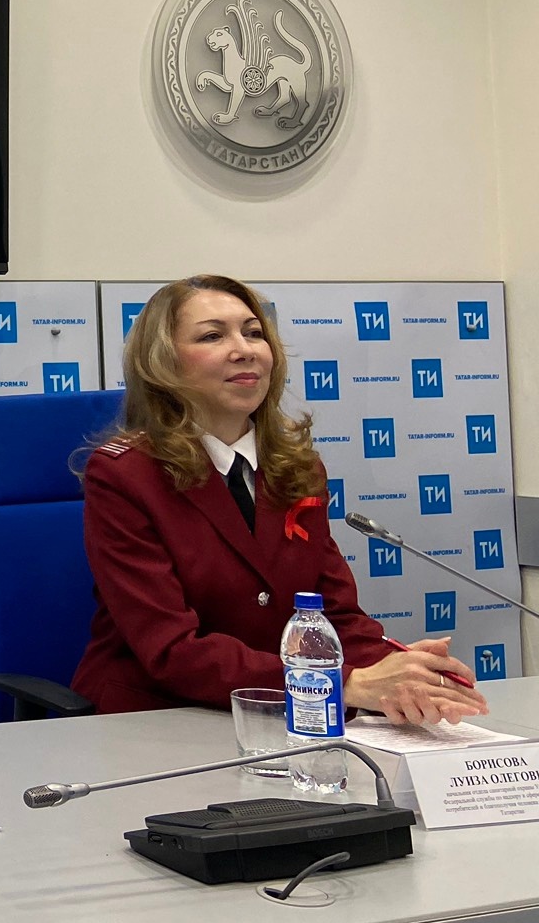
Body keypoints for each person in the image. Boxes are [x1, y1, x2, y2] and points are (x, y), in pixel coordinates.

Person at [73, 274, 489, 725]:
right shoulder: (125, 475)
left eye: (254, 333)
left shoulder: (297, 468)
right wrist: (345, 683)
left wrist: (401, 670)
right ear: (163, 363)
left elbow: (335, 614)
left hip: (284, 710)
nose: (244, 349)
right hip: (157, 716)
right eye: (213, 336)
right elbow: (171, 649)